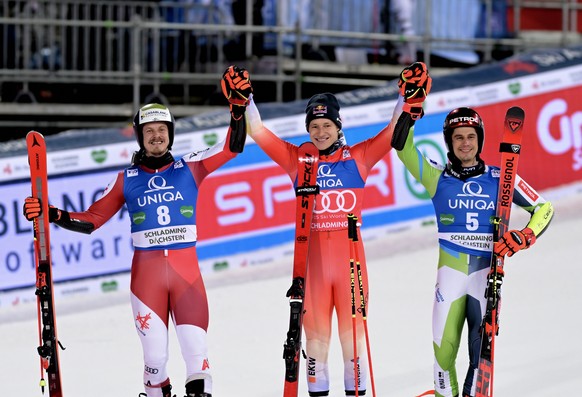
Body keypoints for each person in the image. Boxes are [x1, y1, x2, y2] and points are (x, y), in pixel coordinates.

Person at [22, 89, 250, 396]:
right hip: (147, 282)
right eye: (149, 131)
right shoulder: (125, 178)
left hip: (188, 280)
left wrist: (237, 110)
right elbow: (92, 220)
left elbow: (232, 147)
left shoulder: (191, 167)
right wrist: (52, 213)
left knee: (197, 358)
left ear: (170, 135)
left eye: (161, 130)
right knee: (155, 361)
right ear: (140, 137)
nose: (156, 136)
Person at [220, 64, 423, 396]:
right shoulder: (298, 160)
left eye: (326, 125)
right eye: (314, 127)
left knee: (354, 346)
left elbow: (391, 131)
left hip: (350, 266)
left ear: (338, 127)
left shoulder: (358, 158)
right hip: (313, 269)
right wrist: (246, 99)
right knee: (315, 347)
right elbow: (257, 131)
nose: (320, 132)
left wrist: (406, 94)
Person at [392, 62, 554, 397]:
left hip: (485, 277)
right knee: (442, 357)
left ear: (479, 140)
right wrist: (407, 103)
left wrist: (523, 237)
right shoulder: (437, 177)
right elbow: (402, 146)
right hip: (449, 279)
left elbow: (544, 209)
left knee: (480, 361)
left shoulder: (501, 178)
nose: (465, 144)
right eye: (458, 138)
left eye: (471, 137)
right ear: (449, 142)